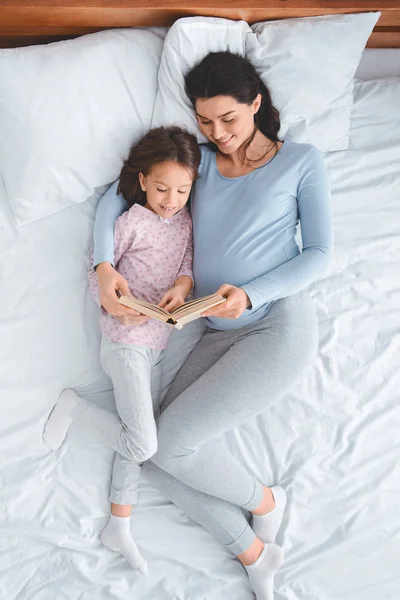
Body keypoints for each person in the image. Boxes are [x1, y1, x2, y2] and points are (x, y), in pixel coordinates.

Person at [53, 49, 333, 600]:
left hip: (276, 325)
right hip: (208, 327)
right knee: (154, 448)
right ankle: (253, 552)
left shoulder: (301, 161)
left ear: (256, 103)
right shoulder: (198, 162)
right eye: (205, 121)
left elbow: (320, 253)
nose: (218, 133)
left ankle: (266, 502)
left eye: (228, 118)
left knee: (170, 447)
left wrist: (252, 293)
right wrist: (104, 264)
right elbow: (118, 197)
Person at [43, 125, 201, 575]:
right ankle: (73, 408)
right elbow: (99, 275)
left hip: (158, 342)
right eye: (162, 188)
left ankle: (119, 521)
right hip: (126, 341)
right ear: (144, 181)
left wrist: (183, 286)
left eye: (182, 190)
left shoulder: (186, 221)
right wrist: (114, 303)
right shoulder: (129, 221)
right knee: (145, 443)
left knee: (138, 436)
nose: (172, 198)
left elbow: (187, 263)